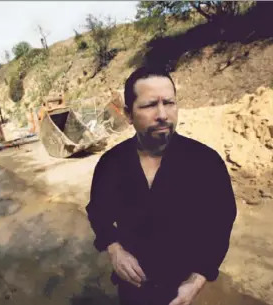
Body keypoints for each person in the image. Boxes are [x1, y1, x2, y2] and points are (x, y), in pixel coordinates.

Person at [85, 65, 237, 305]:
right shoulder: (111, 164)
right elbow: (98, 212)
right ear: (128, 113)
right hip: (133, 287)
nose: (163, 114)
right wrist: (114, 249)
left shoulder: (206, 162)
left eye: (169, 103)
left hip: (183, 288)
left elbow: (220, 223)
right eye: (149, 105)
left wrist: (197, 280)